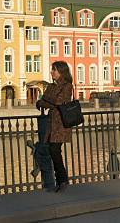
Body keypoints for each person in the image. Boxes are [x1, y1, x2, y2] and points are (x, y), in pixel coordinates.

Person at [36, 61, 74, 193]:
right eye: (52, 70)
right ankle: (61, 181)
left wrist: (46, 102)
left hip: (62, 123)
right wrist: (49, 101)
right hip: (52, 123)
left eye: (54, 70)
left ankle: (62, 180)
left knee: (54, 151)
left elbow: (59, 101)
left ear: (61, 72)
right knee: (54, 151)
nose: (52, 72)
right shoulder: (52, 86)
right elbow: (46, 99)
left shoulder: (67, 85)